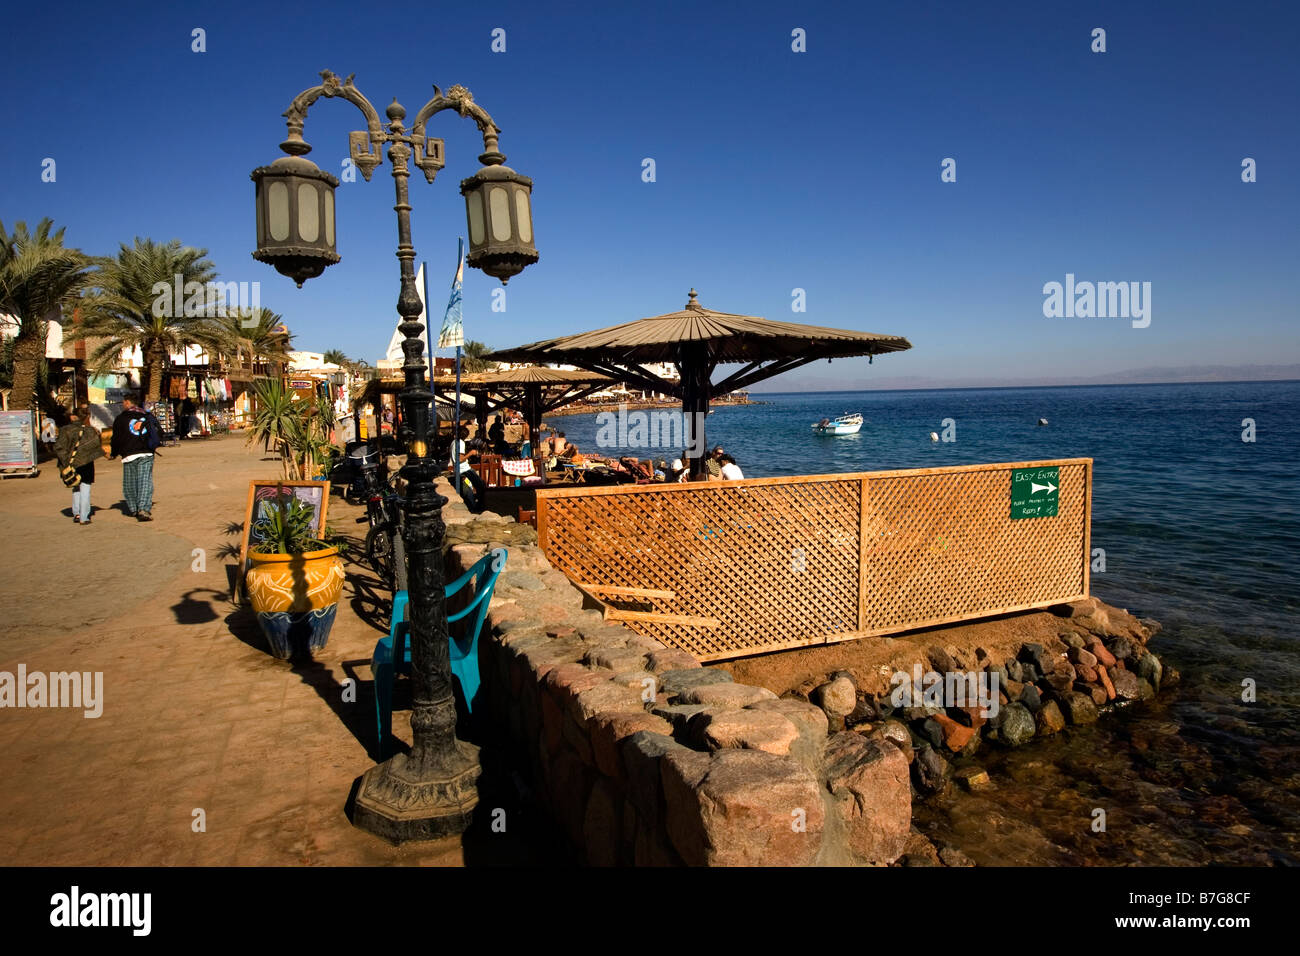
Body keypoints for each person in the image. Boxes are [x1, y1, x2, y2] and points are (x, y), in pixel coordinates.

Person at [111, 396, 160, 521]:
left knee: (130, 482)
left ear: (128, 402)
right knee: (145, 481)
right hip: (146, 452)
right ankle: (143, 509)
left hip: (129, 454)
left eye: (123, 402)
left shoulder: (121, 419)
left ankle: (134, 508)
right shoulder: (147, 416)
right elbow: (159, 432)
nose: (122, 404)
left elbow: (116, 439)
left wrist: (113, 453)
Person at [55, 407, 106, 524]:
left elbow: (59, 447)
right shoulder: (91, 431)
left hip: (71, 464)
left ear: (74, 416)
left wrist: (66, 462)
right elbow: (96, 447)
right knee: (85, 489)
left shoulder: (65, 430)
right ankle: (84, 517)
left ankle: (77, 513)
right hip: (86, 463)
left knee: (75, 487)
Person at [449, 425, 488, 513]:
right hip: (464, 470)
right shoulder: (460, 443)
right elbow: (460, 459)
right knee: (480, 486)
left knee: (472, 489)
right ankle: (478, 508)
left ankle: (475, 506)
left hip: (460, 469)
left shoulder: (454, 442)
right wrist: (471, 453)